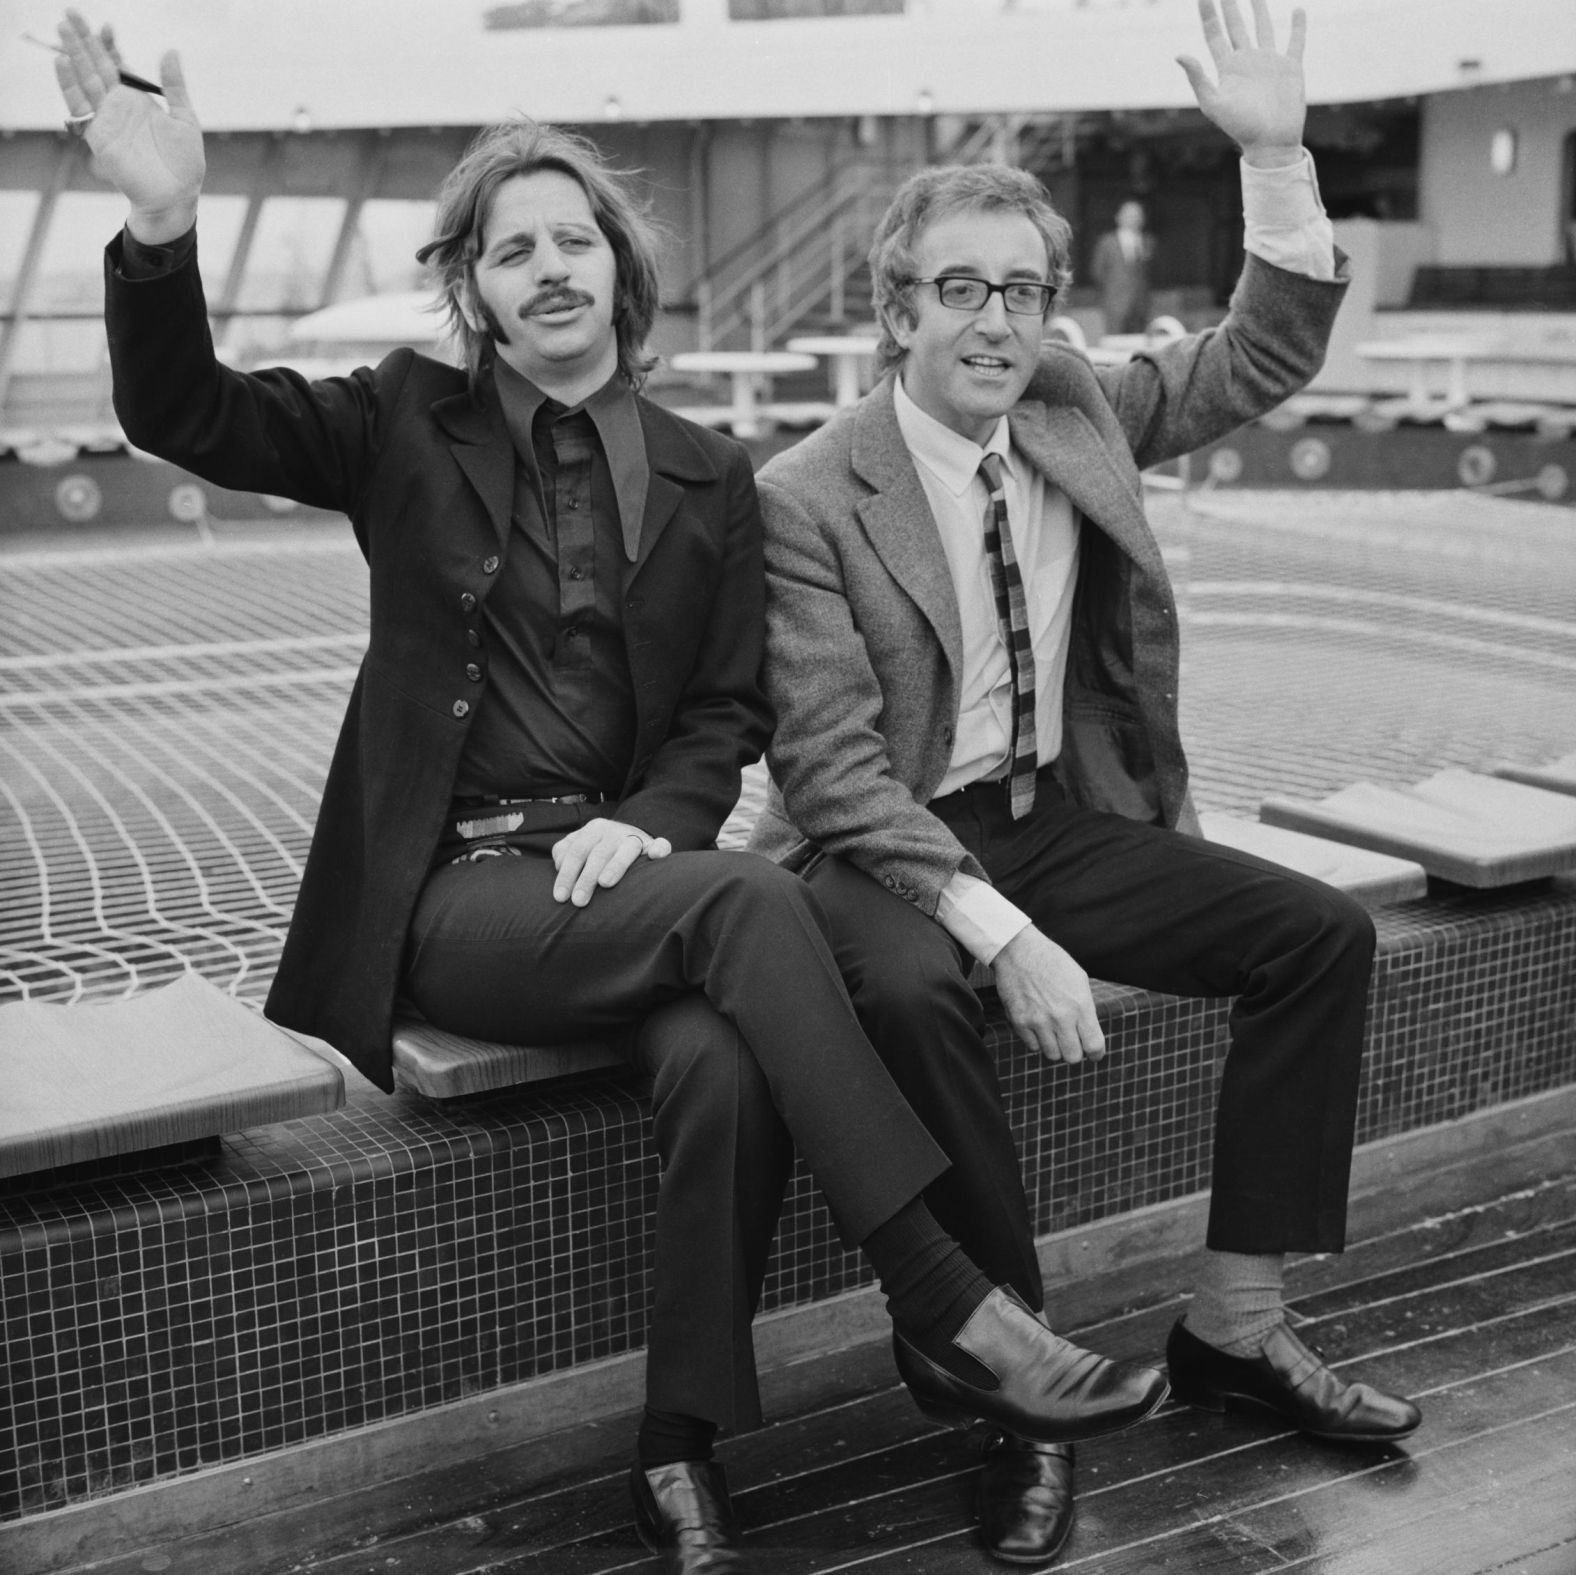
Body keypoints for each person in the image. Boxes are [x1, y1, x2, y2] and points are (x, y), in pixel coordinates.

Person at [53, 10, 1174, 1571]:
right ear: (479, 291)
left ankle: (679, 1453)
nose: (550, 265)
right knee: (754, 893)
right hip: (461, 895)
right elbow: (187, 414)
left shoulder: (716, 475)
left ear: (619, 271)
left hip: (629, 889)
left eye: (574, 236)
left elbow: (719, 718)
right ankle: (948, 1294)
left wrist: (640, 824)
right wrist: (161, 225)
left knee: (721, 1063)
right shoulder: (395, 422)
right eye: (513, 250)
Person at [750, 0, 1422, 1564]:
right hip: (889, 846)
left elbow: (1262, 349)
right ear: (895, 313)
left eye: (1025, 289)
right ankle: (1019, 1391)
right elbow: (834, 772)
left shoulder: (1077, 402)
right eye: (962, 288)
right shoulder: (804, 495)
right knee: (921, 995)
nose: (999, 319)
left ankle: (1236, 1325)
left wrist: (1275, 159)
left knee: (1315, 934)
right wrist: (1001, 929)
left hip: (1059, 812)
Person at [1089, 198, 1154, 336]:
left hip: (1140, 305)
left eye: (1137, 216)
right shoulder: (1106, 242)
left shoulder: (1148, 242)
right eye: (1129, 215)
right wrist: (1112, 293)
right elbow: (1097, 272)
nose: (1133, 219)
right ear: (1118, 217)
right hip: (1114, 303)